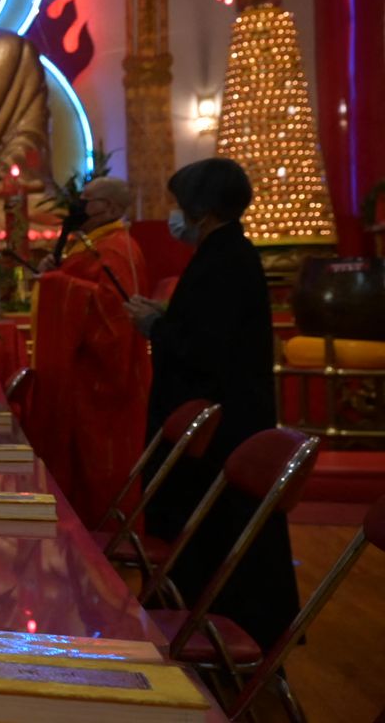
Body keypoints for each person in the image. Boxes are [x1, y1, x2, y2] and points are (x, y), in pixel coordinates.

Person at [123, 157, 299, 649]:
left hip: (220, 429)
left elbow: (206, 350)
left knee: (214, 536)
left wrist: (155, 327)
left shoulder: (226, 258)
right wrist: (164, 318)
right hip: (221, 420)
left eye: (181, 205)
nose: (176, 215)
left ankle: (212, 633)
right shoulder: (225, 252)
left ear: (202, 208)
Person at [27, 176, 150, 523]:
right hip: (79, 372)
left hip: (102, 376)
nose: (79, 206)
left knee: (97, 459)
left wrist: (58, 285)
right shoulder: (91, 243)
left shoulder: (116, 248)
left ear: (109, 208)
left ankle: (102, 537)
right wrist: (53, 272)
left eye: (87, 200)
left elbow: (116, 314)